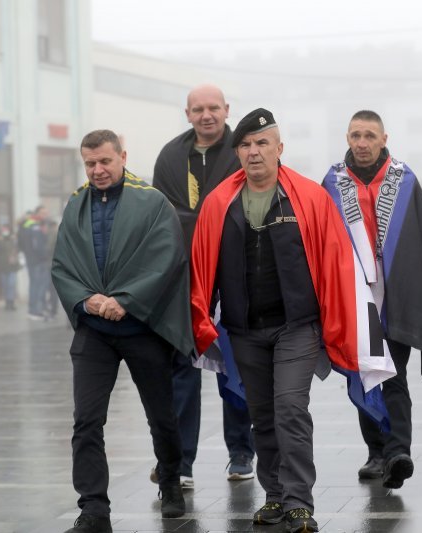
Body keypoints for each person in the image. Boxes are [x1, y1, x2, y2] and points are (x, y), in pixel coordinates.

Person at [191, 109, 394, 533]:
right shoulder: (219, 203)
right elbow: (202, 266)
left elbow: (337, 263)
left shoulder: (308, 198)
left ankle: (300, 500)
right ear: (238, 153)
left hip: (297, 327)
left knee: (290, 409)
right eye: (245, 145)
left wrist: (343, 323)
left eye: (262, 143)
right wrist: (200, 323)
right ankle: (275, 496)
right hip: (244, 330)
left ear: (279, 149)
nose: (253, 152)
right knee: (261, 415)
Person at [51, 129, 192, 532]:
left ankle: (171, 482)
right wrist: (86, 300)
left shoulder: (151, 201)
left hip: (142, 326)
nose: (97, 170)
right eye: (90, 163)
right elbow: (62, 262)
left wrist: (126, 300)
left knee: (161, 415)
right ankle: (93, 507)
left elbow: (166, 257)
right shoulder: (76, 204)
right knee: (86, 421)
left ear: (122, 157)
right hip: (94, 330)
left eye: (104, 162)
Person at [322, 110, 422, 489]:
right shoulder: (333, 182)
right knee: (366, 375)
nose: (362, 143)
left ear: (384, 138)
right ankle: (376, 451)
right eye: (355, 135)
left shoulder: (404, 180)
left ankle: (398, 451)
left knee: (394, 376)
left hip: (397, 297)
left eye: (369, 135)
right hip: (355, 301)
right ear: (347, 138)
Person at [151, 84, 254, 489]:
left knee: (234, 364)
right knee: (181, 370)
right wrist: (203, 222)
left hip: (234, 276)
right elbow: (160, 217)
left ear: (227, 109)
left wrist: (198, 221)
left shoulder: (244, 149)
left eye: (213, 107)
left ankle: (241, 452)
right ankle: (181, 462)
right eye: (198, 109)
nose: (206, 115)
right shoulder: (171, 156)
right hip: (183, 277)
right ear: (187, 114)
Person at [19, 205, 50, 320]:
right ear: (37, 213)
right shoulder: (35, 225)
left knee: (35, 285)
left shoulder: (27, 224)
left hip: (31, 259)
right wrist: (44, 256)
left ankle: (35, 309)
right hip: (38, 260)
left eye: (46, 213)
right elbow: (38, 245)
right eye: (43, 213)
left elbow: (21, 242)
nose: (45, 215)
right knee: (38, 285)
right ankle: (35, 310)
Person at [0, 225, 20, 311]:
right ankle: (7, 302)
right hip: (3, 266)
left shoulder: (13, 239)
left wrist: (14, 256)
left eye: (6, 229)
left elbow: (17, 249)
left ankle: (11, 302)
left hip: (12, 266)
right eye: (3, 230)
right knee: (5, 285)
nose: (5, 231)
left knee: (11, 284)